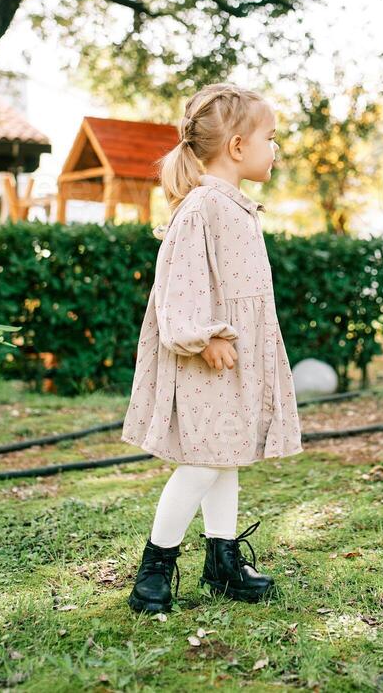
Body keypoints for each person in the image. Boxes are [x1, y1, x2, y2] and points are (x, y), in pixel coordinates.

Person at [121, 82, 303, 612]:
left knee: (227, 457)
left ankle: (222, 561)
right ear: (238, 147)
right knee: (202, 461)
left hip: (234, 355)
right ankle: (154, 567)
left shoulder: (234, 205)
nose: (276, 148)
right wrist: (199, 339)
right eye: (271, 138)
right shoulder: (202, 206)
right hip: (209, 357)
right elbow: (180, 282)